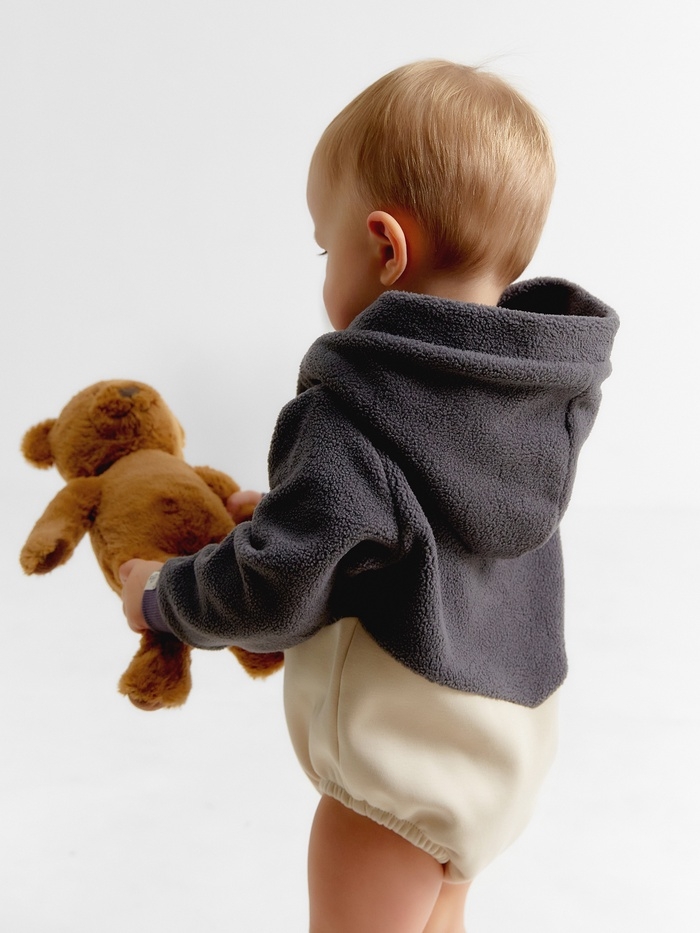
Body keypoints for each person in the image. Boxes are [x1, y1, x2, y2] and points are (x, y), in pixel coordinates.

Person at [121, 60, 619, 932]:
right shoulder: (529, 400)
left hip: (392, 776)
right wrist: (289, 512)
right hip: (495, 757)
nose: (324, 270)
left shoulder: (355, 411)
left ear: (385, 248)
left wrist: (164, 597)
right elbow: (427, 529)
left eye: (327, 247)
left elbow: (275, 588)